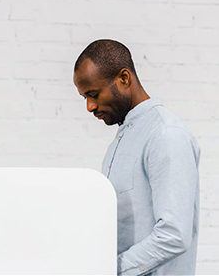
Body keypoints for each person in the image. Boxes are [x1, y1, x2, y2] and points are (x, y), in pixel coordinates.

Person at [73, 39, 200, 276]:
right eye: (85, 98)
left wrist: (110, 269)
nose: (90, 106)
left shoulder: (166, 135)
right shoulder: (122, 141)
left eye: (94, 94)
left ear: (124, 78)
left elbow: (174, 235)